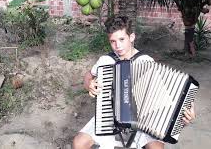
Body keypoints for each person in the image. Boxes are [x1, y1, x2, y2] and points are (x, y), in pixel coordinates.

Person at [72, 15, 196, 149]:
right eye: (113, 41)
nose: (117, 46)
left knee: (156, 148)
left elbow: (166, 95)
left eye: (121, 39)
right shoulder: (106, 61)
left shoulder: (146, 62)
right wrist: (89, 84)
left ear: (131, 37)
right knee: (78, 143)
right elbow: (88, 76)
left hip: (141, 121)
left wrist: (184, 113)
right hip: (108, 116)